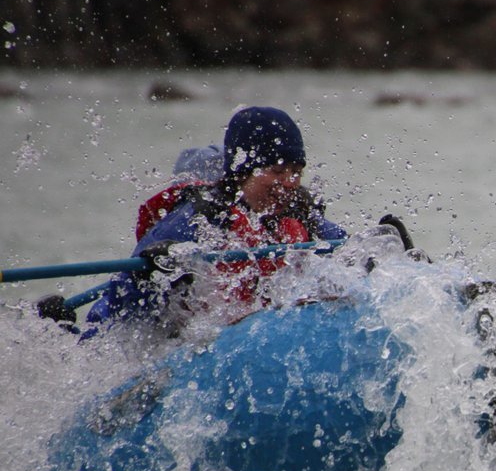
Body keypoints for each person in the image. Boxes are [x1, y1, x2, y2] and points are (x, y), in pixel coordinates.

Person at [85, 106, 348, 330]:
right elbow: (116, 301)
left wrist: (381, 242)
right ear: (244, 171)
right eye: (277, 171)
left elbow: (347, 251)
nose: (289, 182)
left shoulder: (299, 212)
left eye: (296, 171)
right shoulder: (201, 217)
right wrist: (148, 277)